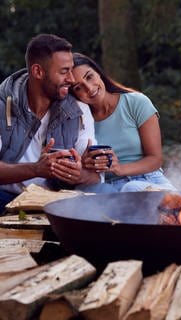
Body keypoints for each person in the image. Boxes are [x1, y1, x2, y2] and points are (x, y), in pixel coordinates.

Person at [0, 34, 113, 214]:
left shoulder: (78, 110)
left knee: (107, 193)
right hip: (6, 198)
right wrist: (36, 169)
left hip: (60, 201)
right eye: (64, 71)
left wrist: (78, 175)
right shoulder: (2, 104)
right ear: (38, 72)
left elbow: (94, 176)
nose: (72, 78)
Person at [70, 52, 176, 192]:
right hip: (107, 189)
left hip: (147, 182)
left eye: (89, 77)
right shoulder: (79, 121)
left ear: (99, 73)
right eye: (78, 88)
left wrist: (119, 168)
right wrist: (85, 164)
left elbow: (155, 160)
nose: (89, 88)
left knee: (131, 188)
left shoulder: (136, 102)